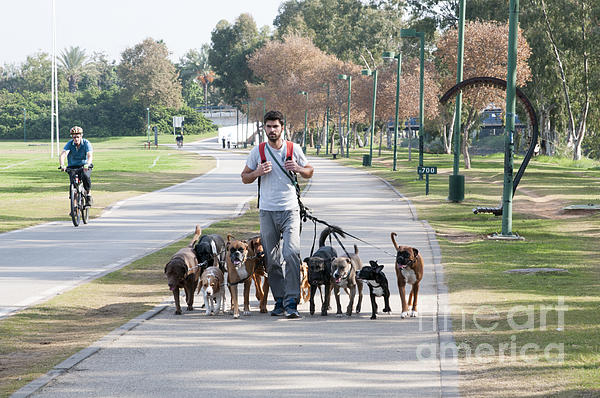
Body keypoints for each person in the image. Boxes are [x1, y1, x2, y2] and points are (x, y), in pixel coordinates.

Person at [241, 110, 314, 318]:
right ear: (264, 128)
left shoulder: (293, 148)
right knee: (271, 260)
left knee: (291, 254)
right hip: (267, 211)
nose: (272, 130)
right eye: (268, 126)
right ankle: (279, 300)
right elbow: (244, 177)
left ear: (283, 127)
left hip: (290, 210)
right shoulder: (258, 151)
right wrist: (257, 172)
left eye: (275, 126)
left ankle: (292, 301)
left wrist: (298, 168)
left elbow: (310, 172)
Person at [59, 126, 93, 206]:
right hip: (72, 167)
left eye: (78, 137)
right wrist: (62, 165)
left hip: (84, 166)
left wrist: (87, 164)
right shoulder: (70, 144)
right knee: (73, 185)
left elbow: (89, 155)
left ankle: (88, 195)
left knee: (85, 176)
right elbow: (63, 154)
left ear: (81, 136)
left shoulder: (86, 143)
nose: (76, 139)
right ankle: (74, 207)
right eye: (74, 137)